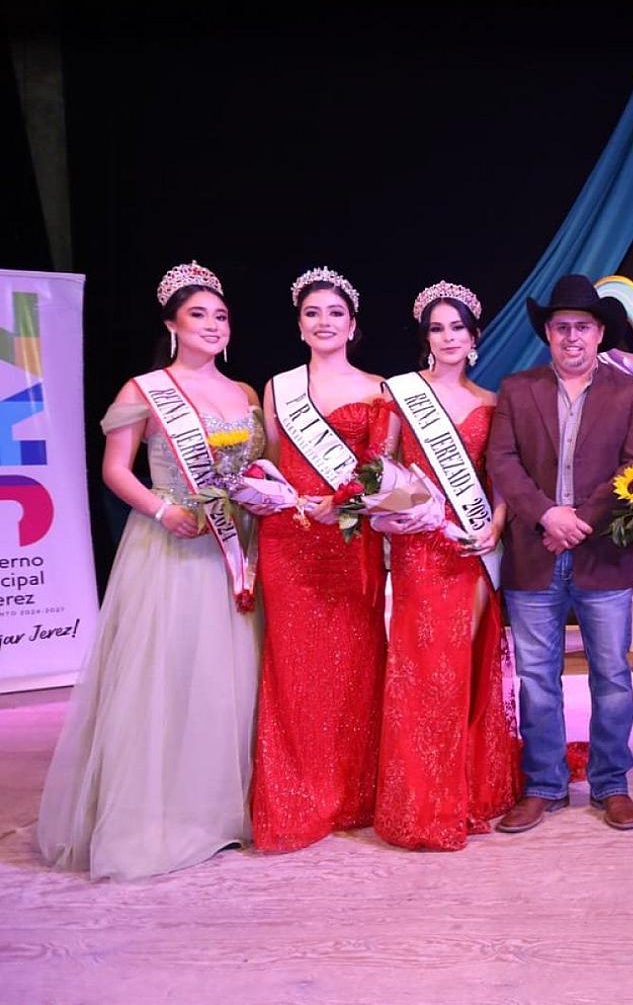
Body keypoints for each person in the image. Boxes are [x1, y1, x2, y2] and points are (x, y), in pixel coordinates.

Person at [37, 261, 263, 879]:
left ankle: (221, 809)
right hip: (170, 546)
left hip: (232, 549)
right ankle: (158, 814)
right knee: (170, 674)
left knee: (230, 676)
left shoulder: (245, 393)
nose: (212, 325)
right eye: (198, 315)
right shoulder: (144, 389)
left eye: (221, 316)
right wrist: (164, 510)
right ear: (172, 325)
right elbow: (115, 470)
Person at [487, 273, 633, 833]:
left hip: (602, 553)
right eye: (561, 327)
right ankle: (544, 784)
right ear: (548, 334)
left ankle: (611, 783)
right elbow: (502, 461)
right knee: (537, 678)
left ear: (600, 333)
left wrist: (577, 520)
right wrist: (547, 515)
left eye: (582, 326)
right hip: (534, 552)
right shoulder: (517, 389)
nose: (571, 337)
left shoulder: (632, 393)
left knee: (612, 675)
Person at [372, 281, 521, 850]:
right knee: (422, 670)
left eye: (457, 327)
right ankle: (423, 797)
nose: (448, 337)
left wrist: (495, 525)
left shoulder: (491, 402)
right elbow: (378, 469)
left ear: (474, 336)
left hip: (470, 548)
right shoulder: (401, 393)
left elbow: (500, 479)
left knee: (463, 666)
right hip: (420, 550)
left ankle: (465, 789)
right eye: (437, 328)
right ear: (425, 339)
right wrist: (400, 510)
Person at [251, 266, 389, 852]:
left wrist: (344, 504)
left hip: (350, 538)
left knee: (355, 662)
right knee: (294, 667)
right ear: (299, 325)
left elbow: (381, 471)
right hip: (290, 538)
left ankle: (354, 792)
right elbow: (271, 460)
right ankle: (297, 795)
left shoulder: (379, 387)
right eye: (313, 313)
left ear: (353, 325)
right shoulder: (278, 387)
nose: (324, 322)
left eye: (335, 313)